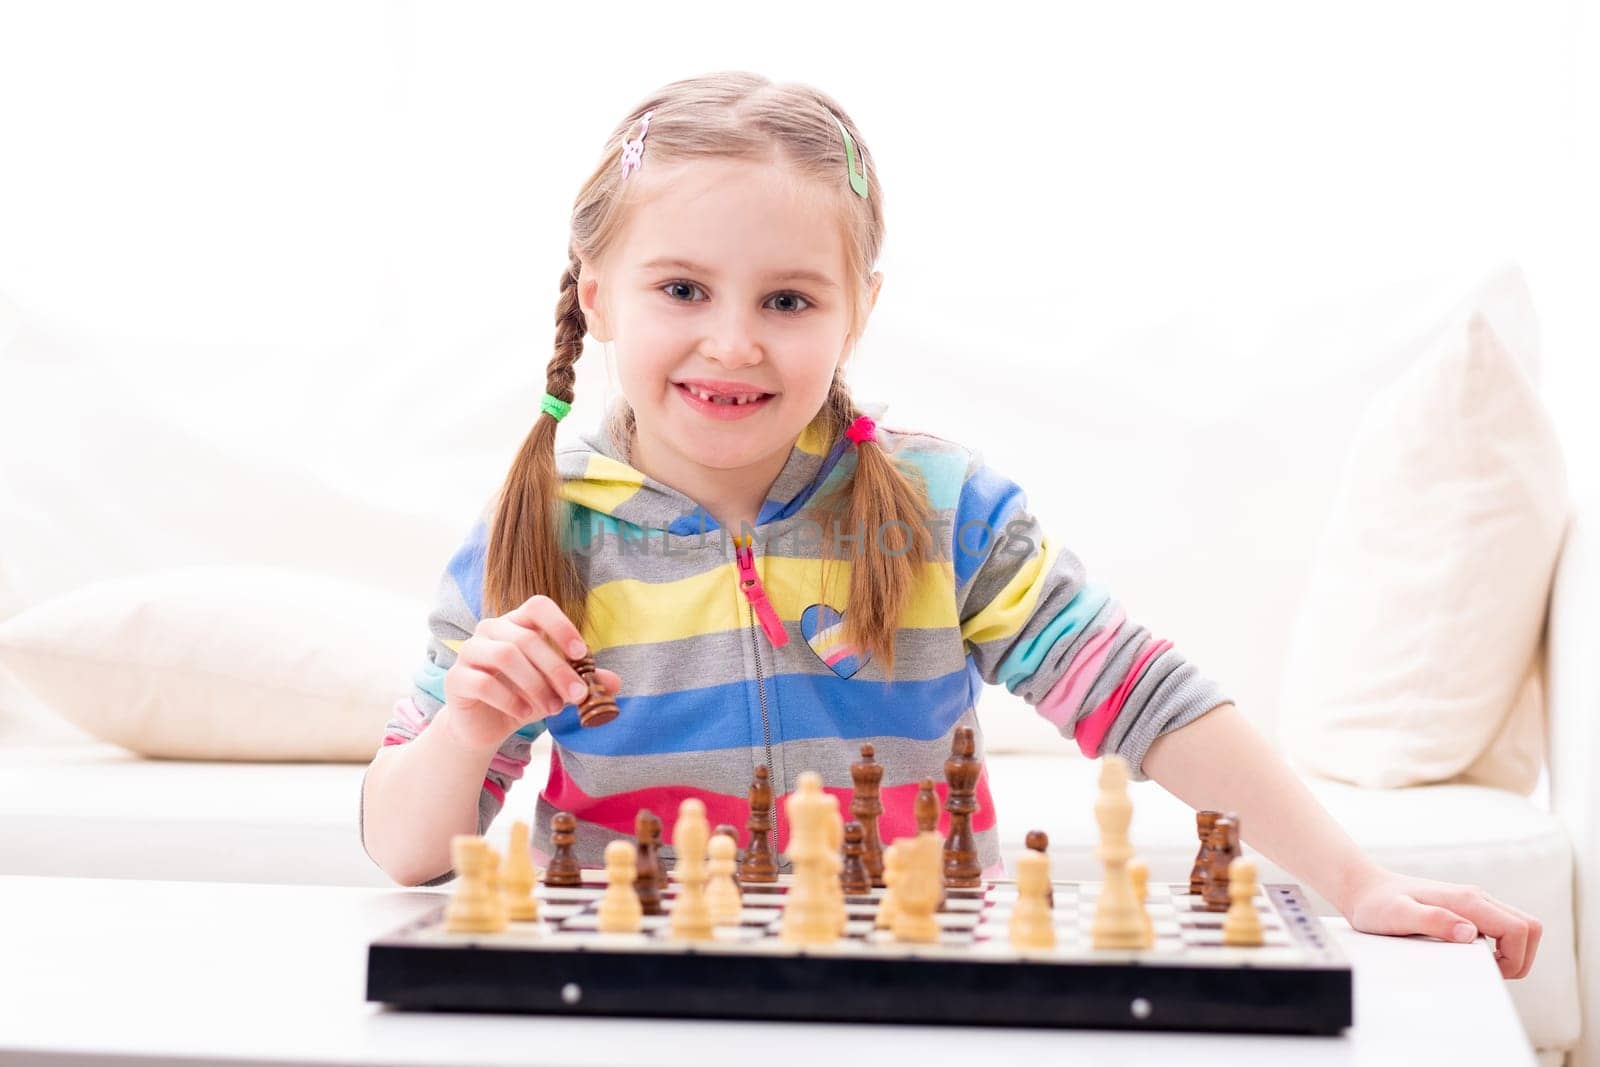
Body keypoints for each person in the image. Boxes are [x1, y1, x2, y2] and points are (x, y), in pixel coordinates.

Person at [358, 71, 1540, 979]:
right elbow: (405, 843)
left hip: (911, 981)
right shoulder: (535, 531)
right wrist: (467, 726)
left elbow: (1142, 695)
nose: (732, 340)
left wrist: (1354, 878)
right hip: (629, 994)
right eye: (682, 288)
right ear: (596, 291)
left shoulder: (940, 512)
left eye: (787, 298)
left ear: (858, 309)